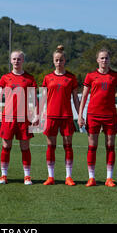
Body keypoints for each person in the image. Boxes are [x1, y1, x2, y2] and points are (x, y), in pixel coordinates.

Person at [78, 48, 117, 187]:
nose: (104, 60)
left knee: (110, 146)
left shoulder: (115, 76)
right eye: (102, 58)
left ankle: (109, 178)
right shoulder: (90, 76)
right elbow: (83, 96)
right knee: (92, 146)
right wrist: (80, 115)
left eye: (106, 58)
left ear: (109, 60)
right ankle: (91, 178)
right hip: (93, 115)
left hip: (110, 116)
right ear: (97, 60)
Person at [0, 50, 38, 185]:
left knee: (25, 147)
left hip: (24, 118)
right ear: (11, 61)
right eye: (14, 59)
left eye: (19, 59)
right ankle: (3, 175)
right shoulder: (5, 78)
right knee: (6, 146)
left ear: (23, 61)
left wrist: (36, 114)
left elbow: (34, 98)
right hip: (8, 117)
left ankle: (27, 176)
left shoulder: (29, 78)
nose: (16, 61)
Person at [41, 45, 80, 186]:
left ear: (65, 61)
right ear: (53, 61)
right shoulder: (48, 78)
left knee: (68, 145)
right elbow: (43, 98)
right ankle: (50, 176)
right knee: (51, 146)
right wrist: (37, 114)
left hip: (66, 116)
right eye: (56, 60)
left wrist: (80, 114)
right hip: (51, 116)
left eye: (61, 60)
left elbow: (76, 98)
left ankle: (68, 177)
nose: (59, 62)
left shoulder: (71, 78)